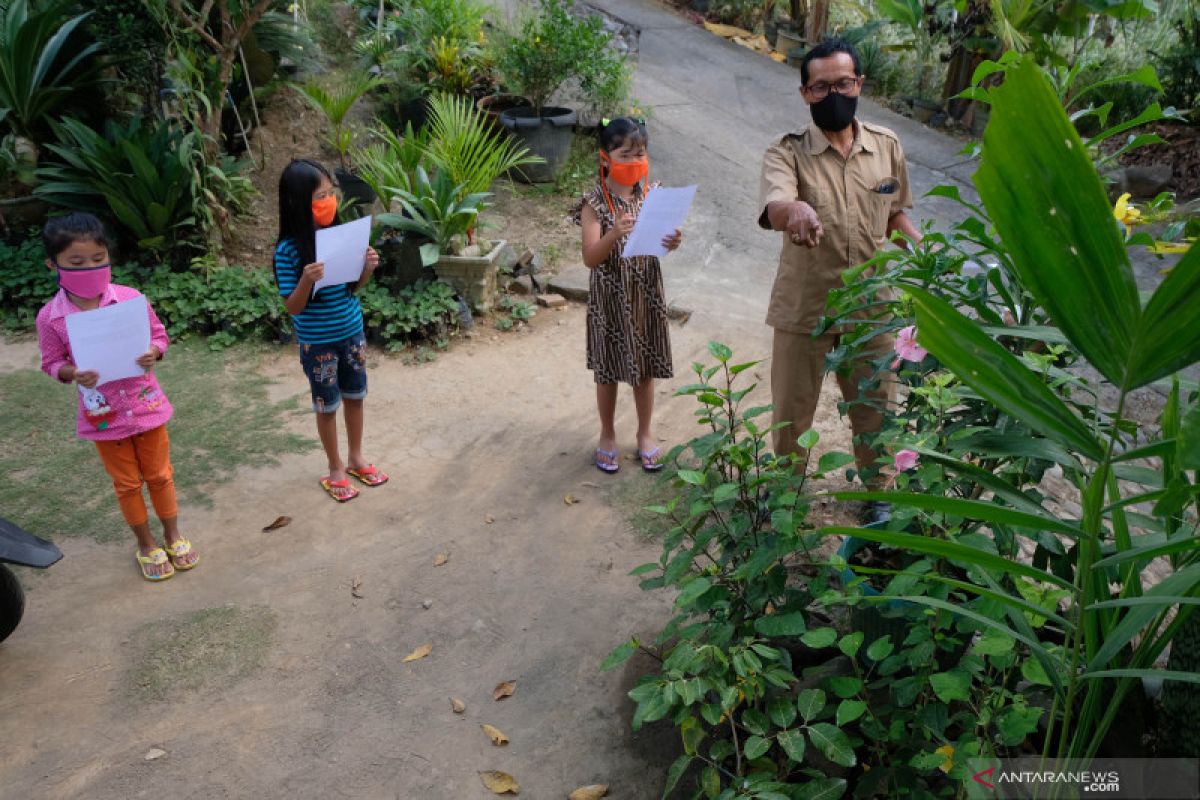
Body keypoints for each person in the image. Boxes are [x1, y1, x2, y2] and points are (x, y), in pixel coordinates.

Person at [757, 38, 919, 516]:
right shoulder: (786, 152)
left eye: (843, 83)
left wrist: (922, 244)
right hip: (805, 308)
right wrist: (798, 210)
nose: (834, 94)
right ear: (805, 93)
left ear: (859, 84)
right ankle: (786, 498)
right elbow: (776, 206)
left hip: (872, 309)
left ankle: (879, 498)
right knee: (792, 414)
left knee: (877, 410)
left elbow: (896, 213)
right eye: (821, 86)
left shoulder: (886, 147)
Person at [35, 212, 199, 582]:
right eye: (76, 262)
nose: (90, 267)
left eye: (97, 258)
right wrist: (71, 372)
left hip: (146, 406)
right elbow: (51, 362)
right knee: (126, 483)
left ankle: (173, 535)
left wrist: (153, 352)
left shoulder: (130, 300)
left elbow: (159, 336)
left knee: (160, 475)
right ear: (53, 265)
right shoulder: (50, 318)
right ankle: (146, 544)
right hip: (103, 416)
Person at [573, 117, 683, 474]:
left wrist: (672, 241)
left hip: (645, 295)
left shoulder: (652, 194)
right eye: (626, 154)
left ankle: (645, 434)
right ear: (606, 157)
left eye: (641, 154)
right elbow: (590, 258)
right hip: (609, 298)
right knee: (607, 369)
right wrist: (613, 234)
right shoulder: (594, 202)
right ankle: (607, 435)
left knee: (645, 367)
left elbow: (660, 245)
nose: (635, 161)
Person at [274, 159, 387, 502]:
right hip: (318, 343)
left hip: (352, 333)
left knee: (356, 396)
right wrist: (307, 280)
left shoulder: (339, 235)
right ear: (296, 202)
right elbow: (292, 307)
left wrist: (366, 269)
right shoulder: (287, 251)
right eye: (319, 195)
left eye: (329, 193)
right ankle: (335, 467)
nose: (328, 200)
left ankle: (356, 458)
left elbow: (351, 287)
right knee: (327, 405)